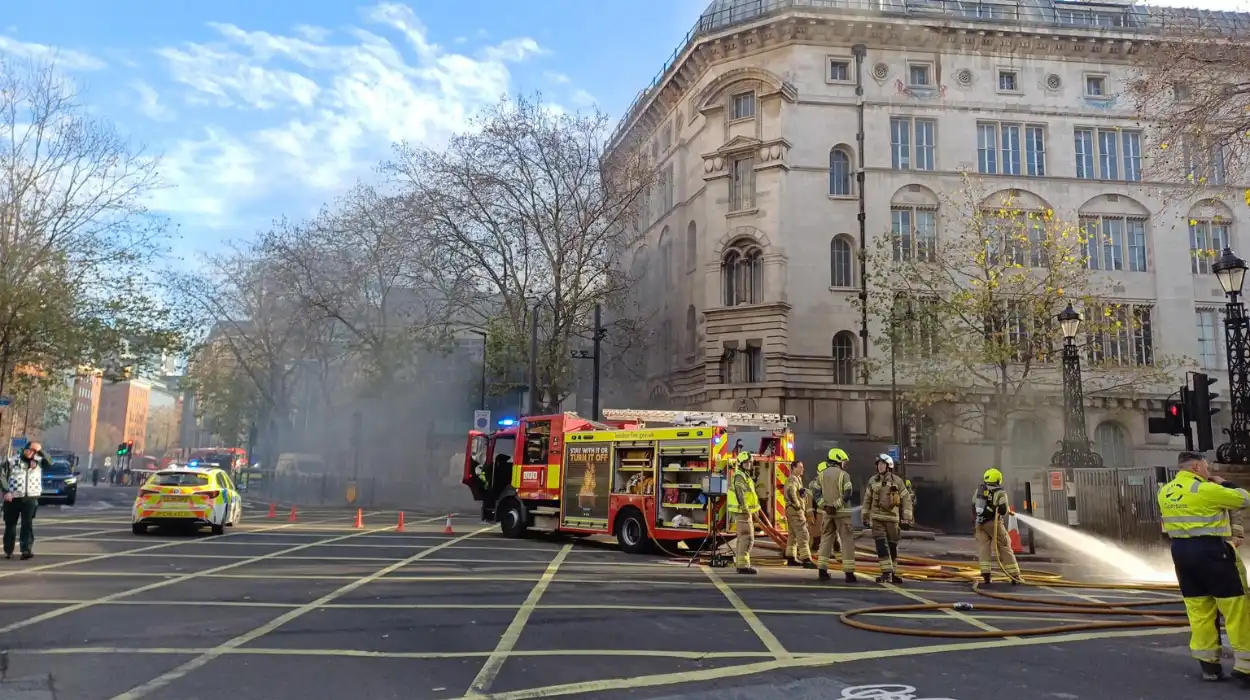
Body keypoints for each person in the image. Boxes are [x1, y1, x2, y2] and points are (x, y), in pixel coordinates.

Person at [1158, 450, 1250, 683]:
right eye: (1206, 467)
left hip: (1181, 554)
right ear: (1197, 467)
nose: (1209, 471)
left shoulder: (1164, 491)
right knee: (1235, 607)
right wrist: (1225, 483)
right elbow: (1244, 499)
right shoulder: (1206, 489)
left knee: (1198, 609)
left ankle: (1209, 665)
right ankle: (1246, 667)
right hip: (1212, 552)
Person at [862, 454, 913, 584]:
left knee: (892, 546)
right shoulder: (873, 481)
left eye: (882, 464)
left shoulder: (897, 481)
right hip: (877, 519)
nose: (880, 466)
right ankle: (886, 573)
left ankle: (892, 572)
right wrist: (865, 515)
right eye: (878, 464)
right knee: (881, 546)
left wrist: (907, 516)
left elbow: (906, 499)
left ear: (889, 466)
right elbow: (867, 500)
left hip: (892, 519)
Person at [1, 442, 52, 560]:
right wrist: (5, 491)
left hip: (30, 498)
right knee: (10, 525)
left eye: (34, 451)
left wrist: (41, 451)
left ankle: (26, 550)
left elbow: (50, 463)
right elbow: (2, 475)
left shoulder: (39, 461)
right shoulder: (12, 461)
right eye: (29, 450)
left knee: (27, 524)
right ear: (24, 449)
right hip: (12, 497)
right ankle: (8, 550)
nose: (31, 452)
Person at [973, 468, 1023, 585]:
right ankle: (1015, 575)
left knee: (984, 547)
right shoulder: (1000, 492)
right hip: (994, 523)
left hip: (979, 523)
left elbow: (973, 506)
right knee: (1004, 545)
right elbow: (1003, 510)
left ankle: (986, 575)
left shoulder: (979, 491)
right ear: (998, 479)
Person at [816, 448, 857, 583]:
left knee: (826, 540)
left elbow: (816, 492)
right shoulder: (843, 475)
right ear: (839, 459)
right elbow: (848, 493)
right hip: (842, 514)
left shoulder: (821, 475)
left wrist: (825, 506)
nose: (844, 464)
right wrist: (836, 505)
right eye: (843, 461)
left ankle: (822, 571)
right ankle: (849, 574)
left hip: (827, 514)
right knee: (847, 541)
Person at [727, 450, 760, 575]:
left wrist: (755, 510)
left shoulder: (743, 475)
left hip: (745, 511)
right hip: (742, 512)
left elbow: (749, 495)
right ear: (740, 463)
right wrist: (745, 508)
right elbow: (740, 493)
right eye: (746, 463)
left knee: (744, 538)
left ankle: (742, 564)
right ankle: (743, 566)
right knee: (747, 538)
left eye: (750, 462)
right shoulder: (740, 476)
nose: (749, 465)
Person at [783, 461, 815, 568]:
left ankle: (791, 557)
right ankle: (806, 559)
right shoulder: (793, 479)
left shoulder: (797, 479)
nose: (803, 469)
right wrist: (796, 504)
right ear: (793, 468)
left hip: (791, 510)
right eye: (800, 467)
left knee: (793, 535)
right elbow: (790, 490)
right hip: (795, 510)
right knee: (803, 533)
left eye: (803, 467)